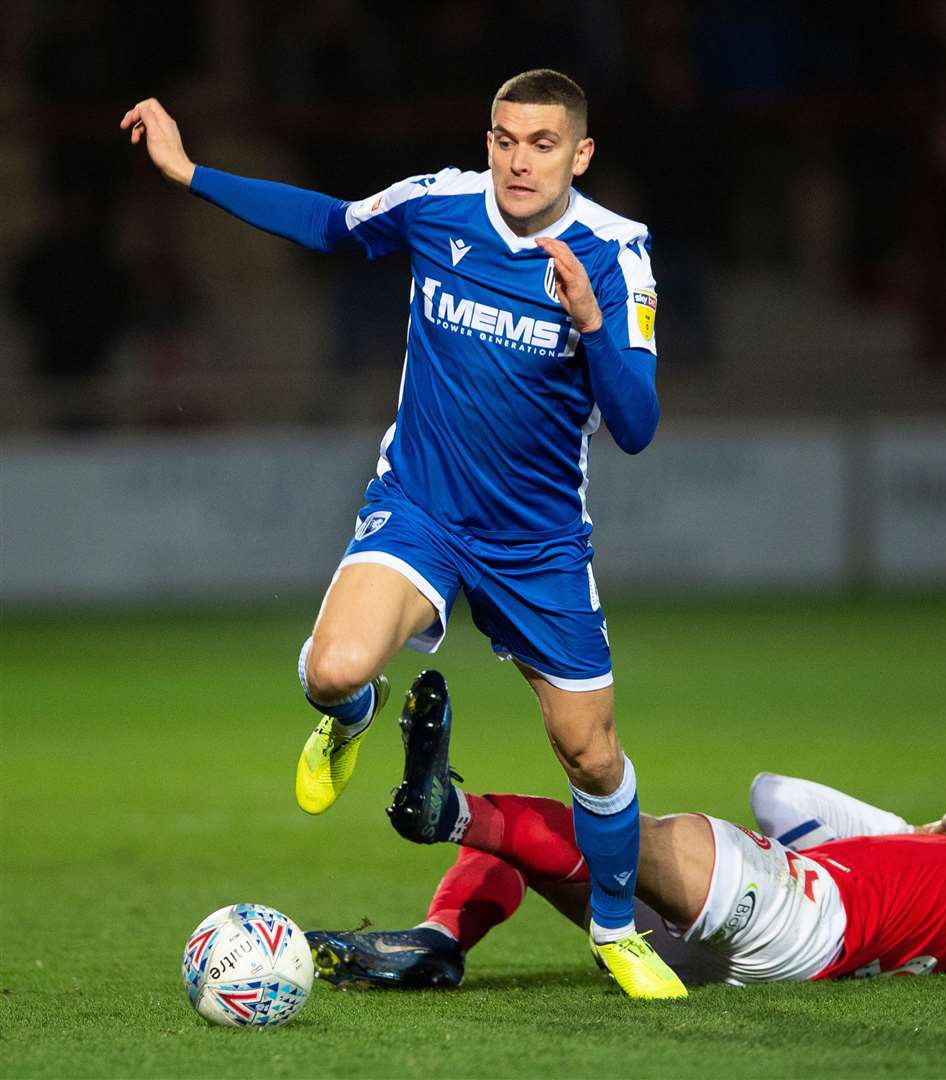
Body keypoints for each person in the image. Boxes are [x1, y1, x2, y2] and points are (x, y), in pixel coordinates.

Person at [120, 70, 682, 999]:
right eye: (504, 138)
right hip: (420, 508)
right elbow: (328, 223)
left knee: (590, 752)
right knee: (330, 669)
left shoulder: (617, 255)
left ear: (579, 154)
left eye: (542, 144)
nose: (517, 160)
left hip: (536, 543)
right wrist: (189, 173)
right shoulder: (438, 205)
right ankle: (352, 717)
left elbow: (636, 425)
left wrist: (591, 325)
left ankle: (616, 931)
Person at [306, 690, 946, 990]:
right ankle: (441, 941)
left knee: (626, 833)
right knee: (545, 842)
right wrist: (916, 834)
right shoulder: (941, 899)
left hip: (801, 913)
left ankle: (451, 813)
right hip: (749, 956)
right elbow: (777, 795)